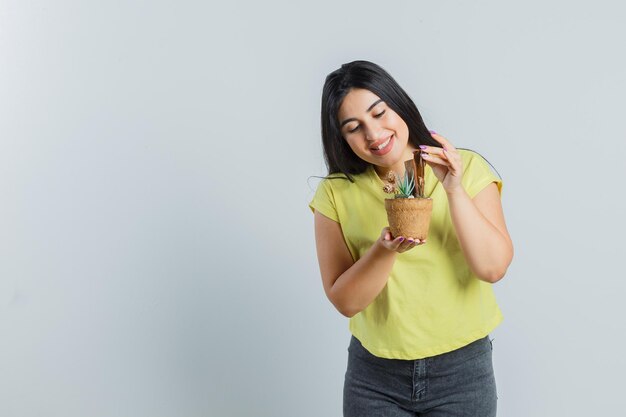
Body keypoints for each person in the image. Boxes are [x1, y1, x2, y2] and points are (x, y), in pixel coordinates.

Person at [309, 60, 514, 417]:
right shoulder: (336, 193)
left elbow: (493, 268)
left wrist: (453, 190)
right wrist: (384, 251)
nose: (373, 134)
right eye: (354, 127)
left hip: (462, 372)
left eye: (379, 113)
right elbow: (345, 301)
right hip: (374, 377)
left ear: (399, 104)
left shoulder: (464, 168)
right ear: (341, 138)